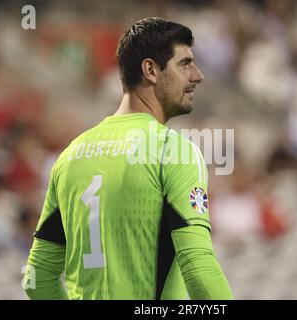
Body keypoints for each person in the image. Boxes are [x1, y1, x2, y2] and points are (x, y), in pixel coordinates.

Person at [23, 17, 233, 300]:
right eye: (185, 64)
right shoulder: (172, 150)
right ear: (151, 70)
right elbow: (198, 267)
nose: (198, 75)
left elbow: (37, 278)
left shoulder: (70, 156)